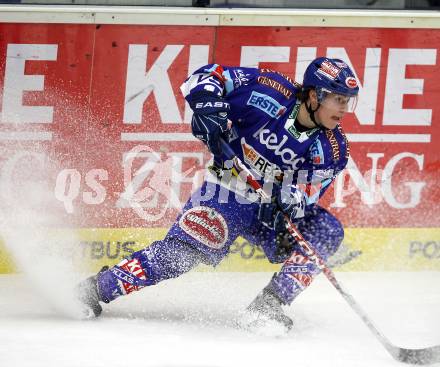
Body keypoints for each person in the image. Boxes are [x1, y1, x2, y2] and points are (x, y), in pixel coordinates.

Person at [77, 57, 359, 331]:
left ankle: (268, 305)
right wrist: (208, 108)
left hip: (269, 214)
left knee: (326, 230)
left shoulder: (334, 148)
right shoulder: (268, 90)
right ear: (313, 95)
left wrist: (290, 200)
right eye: (338, 98)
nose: (343, 108)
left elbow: (309, 193)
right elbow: (207, 76)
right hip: (226, 193)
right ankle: (94, 289)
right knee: (177, 257)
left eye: (347, 101)